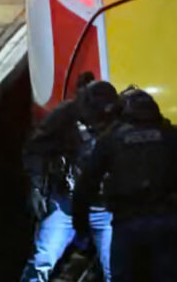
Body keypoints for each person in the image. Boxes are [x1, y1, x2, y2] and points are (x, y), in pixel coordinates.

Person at [74, 87, 177, 282]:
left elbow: (86, 184)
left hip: (127, 223)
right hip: (169, 221)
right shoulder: (173, 135)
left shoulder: (111, 138)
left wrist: (81, 227)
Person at [20, 76, 120, 282]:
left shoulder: (125, 121)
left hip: (106, 209)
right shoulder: (66, 115)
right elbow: (35, 149)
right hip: (67, 203)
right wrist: (37, 186)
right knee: (42, 261)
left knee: (115, 270)